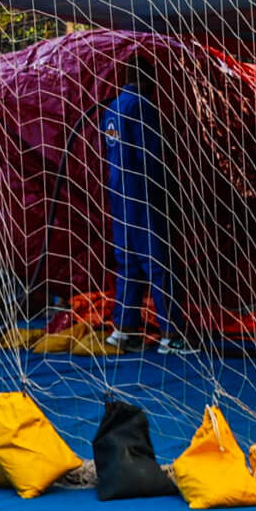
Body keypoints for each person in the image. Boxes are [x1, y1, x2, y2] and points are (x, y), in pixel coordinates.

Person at [99, 55, 181, 349]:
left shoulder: (111, 109)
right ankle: (171, 335)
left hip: (118, 193)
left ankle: (123, 327)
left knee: (127, 262)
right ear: (149, 79)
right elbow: (151, 155)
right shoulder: (142, 107)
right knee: (157, 262)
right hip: (142, 193)